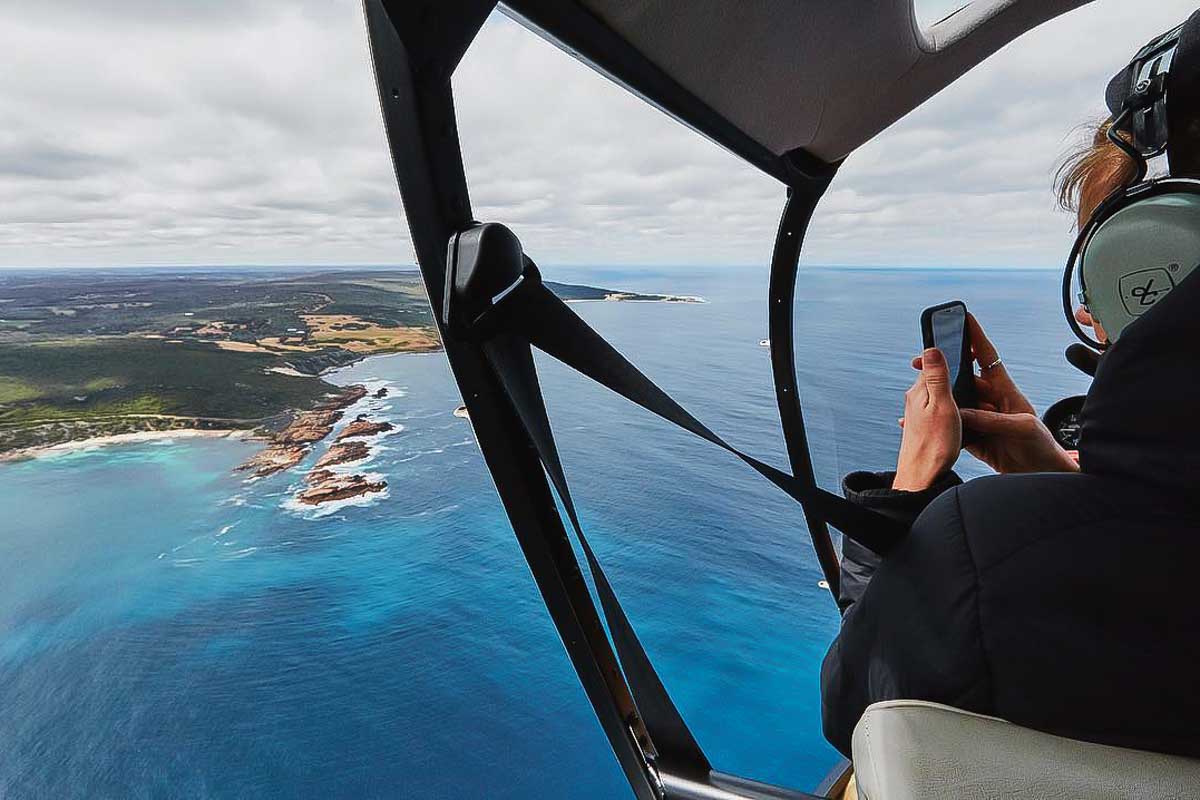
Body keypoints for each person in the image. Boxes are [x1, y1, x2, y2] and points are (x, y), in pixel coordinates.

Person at [819, 61, 1200, 759]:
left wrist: (905, 506)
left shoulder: (979, 555)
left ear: (1154, 271)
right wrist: (1067, 480)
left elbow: (859, 709)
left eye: (1100, 271)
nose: (1085, 309)